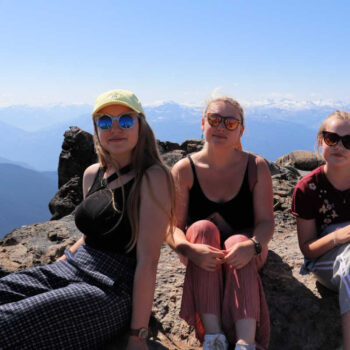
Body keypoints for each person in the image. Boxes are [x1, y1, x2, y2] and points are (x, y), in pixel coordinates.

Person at [0, 89, 176, 350]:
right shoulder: (93, 174)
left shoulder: (152, 177)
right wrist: (61, 261)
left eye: (125, 120)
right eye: (105, 121)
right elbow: (91, 235)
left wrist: (137, 336)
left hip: (109, 290)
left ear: (141, 125)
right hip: (70, 269)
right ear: (96, 129)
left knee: (9, 322)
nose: (115, 127)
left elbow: (148, 261)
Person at [168, 96, 274, 350]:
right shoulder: (184, 170)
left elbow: (266, 223)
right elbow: (172, 228)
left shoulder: (255, 167)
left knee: (239, 241)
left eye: (230, 123)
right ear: (203, 123)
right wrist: (188, 249)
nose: (221, 128)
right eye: (214, 120)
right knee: (201, 229)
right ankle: (213, 338)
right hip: (201, 250)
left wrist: (254, 245)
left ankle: (245, 343)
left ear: (241, 130)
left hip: (249, 252)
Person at [291, 110, 350, 350]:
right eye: (332, 139)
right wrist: (339, 236)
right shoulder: (307, 188)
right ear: (320, 140)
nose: (340, 146)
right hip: (326, 258)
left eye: (349, 141)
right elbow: (308, 250)